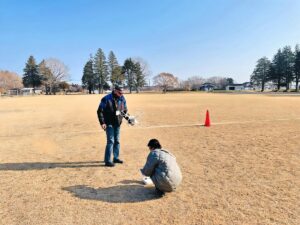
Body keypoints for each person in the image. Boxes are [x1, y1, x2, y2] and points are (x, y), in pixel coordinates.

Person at [97, 85, 128, 167]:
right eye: (119, 92)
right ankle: (107, 160)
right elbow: (100, 111)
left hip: (117, 123)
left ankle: (116, 158)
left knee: (117, 141)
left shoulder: (122, 98)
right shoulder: (106, 99)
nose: (121, 94)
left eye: (122, 93)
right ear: (115, 91)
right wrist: (102, 122)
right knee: (111, 141)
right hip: (109, 123)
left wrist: (128, 118)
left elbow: (124, 110)